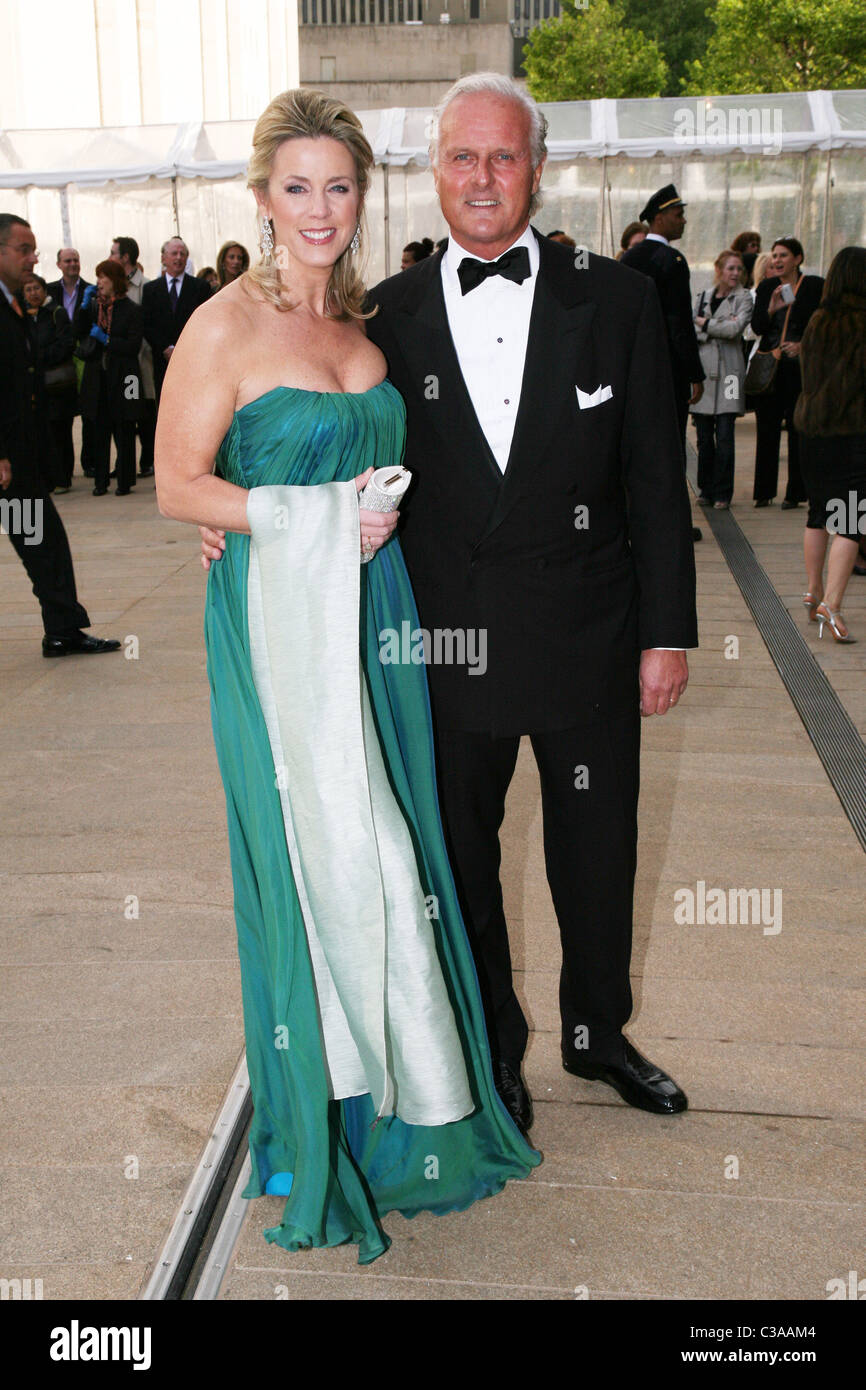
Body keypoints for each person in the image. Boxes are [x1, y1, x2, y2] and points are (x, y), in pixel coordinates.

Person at [202, 72, 698, 1131]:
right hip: (444, 644)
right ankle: (494, 1047)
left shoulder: (613, 301)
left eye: (502, 156)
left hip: (590, 637)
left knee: (597, 851)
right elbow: (322, 445)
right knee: (459, 863)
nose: (482, 177)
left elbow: (657, 482)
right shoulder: (385, 318)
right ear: (433, 173)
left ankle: (595, 1031)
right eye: (461, 158)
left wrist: (665, 634)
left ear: (535, 167)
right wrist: (234, 508)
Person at [156, 87, 539, 1266]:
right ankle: (317, 1125)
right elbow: (179, 486)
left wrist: (325, 523)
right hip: (278, 634)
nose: (318, 209)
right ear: (262, 199)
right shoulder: (219, 327)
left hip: (372, 623)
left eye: (338, 187)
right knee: (320, 861)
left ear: (362, 198)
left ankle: (406, 1106)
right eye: (295, 187)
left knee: (389, 856)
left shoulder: (370, 339)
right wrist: (290, 518)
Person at [0, 214, 120, 657]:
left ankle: (63, 628)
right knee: (38, 540)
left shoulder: (18, 303)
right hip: (8, 464)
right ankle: (62, 627)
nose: (33, 257)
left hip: (22, 459)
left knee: (41, 541)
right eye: (23, 249)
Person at [621, 185, 705, 540]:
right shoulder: (672, 261)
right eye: (678, 214)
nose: (683, 220)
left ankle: (637, 520)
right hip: (667, 371)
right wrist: (693, 373)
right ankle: (673, 524)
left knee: (638, 447)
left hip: (633, 370)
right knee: (671, 448)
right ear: (659, 217)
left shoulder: (630, 259)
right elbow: (678, 324)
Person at [794, 245, 866, 644]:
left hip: (812, 431)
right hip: (853, 433)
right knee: (852, 518)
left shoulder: (818, 320)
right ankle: (832, 605)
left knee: (819, 512)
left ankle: (812, 588)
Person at [750, 236, 823, 509]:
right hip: (772, 364)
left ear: (798, 259)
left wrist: (804, 345)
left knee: (797, 428)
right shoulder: (768, 286)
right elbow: (757, 327)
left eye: (783, 255)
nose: (777, 260)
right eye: (774, 255)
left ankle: (795, 492)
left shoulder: (814, 286)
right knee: (766, 428)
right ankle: (764, 490)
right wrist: (771, 308)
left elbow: (822, 324)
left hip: (799, 368)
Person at [75, 259, 143, 496]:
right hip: (99, 377)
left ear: (115, 281)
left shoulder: (131, 309)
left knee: (125, 427)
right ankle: (100, 481)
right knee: (99, 428)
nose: (99, 282)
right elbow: (79, 331)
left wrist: (107, 340)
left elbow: (133, 345)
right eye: (98, 277)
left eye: (103, 277)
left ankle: (124, 480)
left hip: (126, 378)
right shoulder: (96, 308)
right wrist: (84, 305)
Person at [691, 250, 753, 509]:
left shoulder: (744, 298)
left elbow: (734, 330)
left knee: (726, 434)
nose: (735, 273)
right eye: (730, 268)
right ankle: (705, 487)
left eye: (739, 269)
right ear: (719, 269)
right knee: (704, 436)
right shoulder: (703, 296)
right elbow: (691, 326)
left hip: (729, 374)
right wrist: (712, 326)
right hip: (705, 372)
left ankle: (723, 492)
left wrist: (705, 325)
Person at [22, 273, 76, 493]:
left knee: (61, 430)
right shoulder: (24, 316)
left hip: (57, 384)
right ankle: (47, 478)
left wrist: (39, 357)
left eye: (36, 288)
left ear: (44, 290)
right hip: (36, 386)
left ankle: (63, 478)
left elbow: (65, 344)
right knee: (42, 432)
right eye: (28, 289)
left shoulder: (56, 313)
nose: (33, 293)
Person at [141, 237, 212, 404]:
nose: (178, 258)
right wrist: (165, 348)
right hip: (162, 361)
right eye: (174, 253)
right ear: (163, 258)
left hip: (192, 359)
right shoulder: (151, 289)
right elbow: (147, 323)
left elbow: (204, 322)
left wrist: (183, 349)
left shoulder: (200, 287)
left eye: (182, 254)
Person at [45, 246, 93, 480]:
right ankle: (62, 468)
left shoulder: (90, 290)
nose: (72, 264)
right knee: (62, 416)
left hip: (84, 356)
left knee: (87, 411)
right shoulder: (49, 290)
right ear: (59, 265)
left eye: (76, 260)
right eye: (68, 260)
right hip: (61, 362)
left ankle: (89, 462)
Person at [110, 235, 156, 478]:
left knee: (144, 412)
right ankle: (124, 462)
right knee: (125, 412)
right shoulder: (114, 286)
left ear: (125, 257)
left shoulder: (146, 286)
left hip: (142, 363)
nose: (111, 257)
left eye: (114, 253)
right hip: (124, 365)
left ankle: (147, 459)